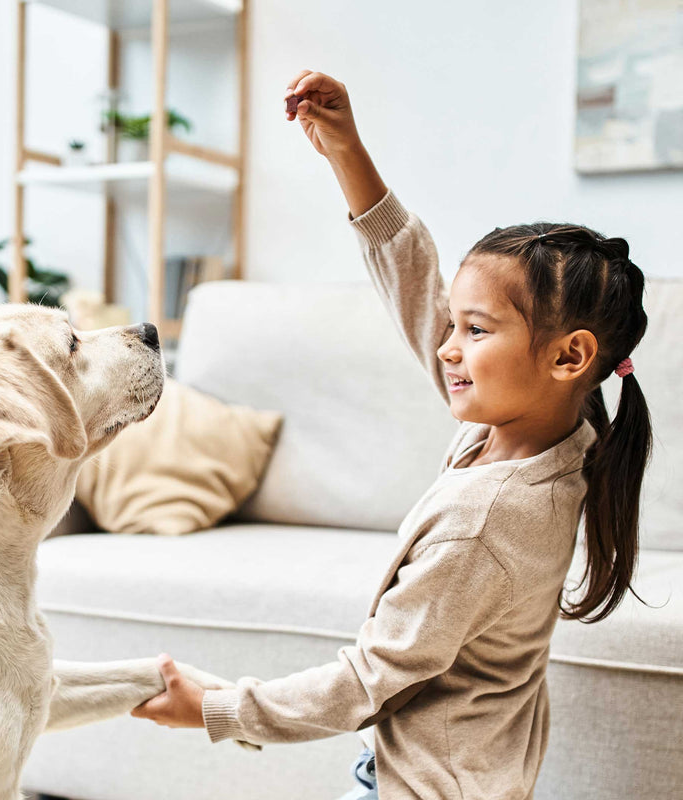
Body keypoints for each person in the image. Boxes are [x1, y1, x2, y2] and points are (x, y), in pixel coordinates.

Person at [130, 70, 653, 800]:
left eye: (474, 331)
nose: (446, 347)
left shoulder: (488, 520)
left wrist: (216, 709)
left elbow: (363, 682)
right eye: (456, 324)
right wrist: (346, 151)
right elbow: (414, 281)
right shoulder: (557, 430)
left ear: (571, 356)